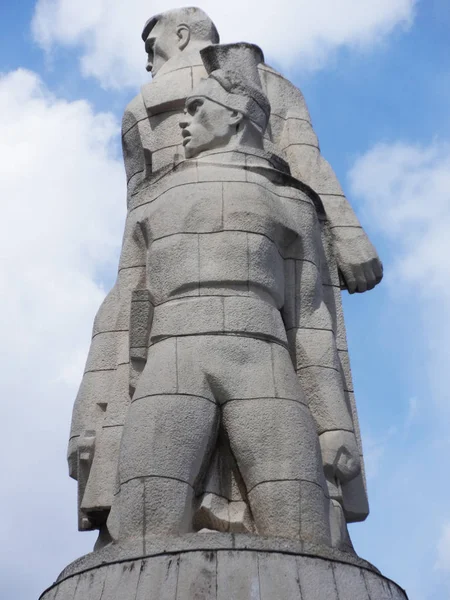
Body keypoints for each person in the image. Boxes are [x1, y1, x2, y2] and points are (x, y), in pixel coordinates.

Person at [68, 7, 381, 549]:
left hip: (259, 316)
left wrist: (349, 237)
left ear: (183, 34)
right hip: (171, 316)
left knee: (300, 516)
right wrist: (94, 404)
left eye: (153, 40)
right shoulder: (141, 129)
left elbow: (305, 167)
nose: (146, 56)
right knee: (142, 513)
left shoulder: (270, 97)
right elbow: (129, 285)